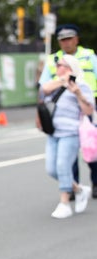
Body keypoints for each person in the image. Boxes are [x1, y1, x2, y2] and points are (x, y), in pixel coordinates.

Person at [39, 24, 97, 199]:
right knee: (67, 156)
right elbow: (43, 88)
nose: (66, 42)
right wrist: (39, 114)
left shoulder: (88, 55)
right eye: (62, 40)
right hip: (63, 108)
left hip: (90, 104)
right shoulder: (53, 60)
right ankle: (73, 186)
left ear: (76, 39)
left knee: (91, 148)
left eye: (69, 39)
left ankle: (95, 181)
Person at [40, 54, 94, 218]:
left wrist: (78, 93)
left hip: (70, 133)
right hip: (53, 132)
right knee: (52, 169)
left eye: (61, 65)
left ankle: (64, 203)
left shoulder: (82, 85)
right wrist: (64, 80)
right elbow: (45, 89)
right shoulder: (55, 84)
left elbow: (89, 111)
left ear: (70, 68)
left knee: (63, 166)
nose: (57, 68)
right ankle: (79, 189)